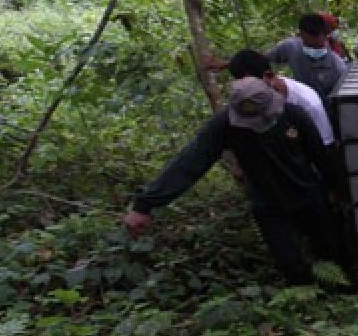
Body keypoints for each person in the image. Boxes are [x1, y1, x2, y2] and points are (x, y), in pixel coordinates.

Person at [123, 77, 344, 285]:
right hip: (268, 203)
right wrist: (145, 204)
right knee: (290, 263)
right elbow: (190, 162)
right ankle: (307, 301)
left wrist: (338, 189)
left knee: (332, 250)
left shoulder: (294, 115)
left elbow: (321, 157)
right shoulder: (224, 126)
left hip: (307, 193)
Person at [223, 49, 335, 146]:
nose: (250, 92)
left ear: (269, 76)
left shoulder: (308, 103)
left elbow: (325, 145)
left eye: (253, 86)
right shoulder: (246, 101)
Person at [266, 13, 348, 99]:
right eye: (309, 45)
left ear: (325, 36)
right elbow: (262, 59)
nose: (314, 49)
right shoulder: (291, 47)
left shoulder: (338, 66)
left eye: (318, 46)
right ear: (300, 35)